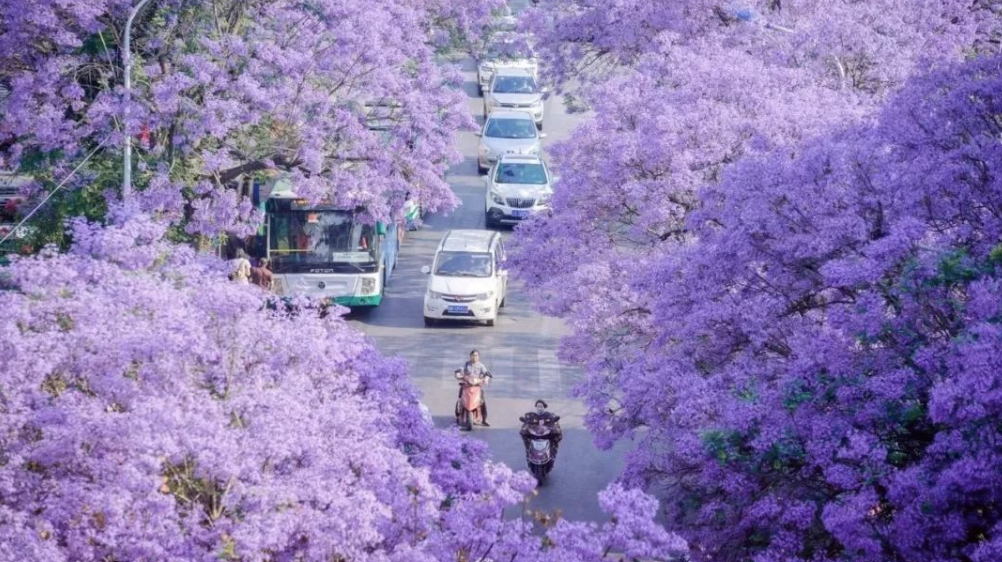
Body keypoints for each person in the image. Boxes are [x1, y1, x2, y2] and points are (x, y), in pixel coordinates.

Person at [463, 350, 491, 426]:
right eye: (473, 355)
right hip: (467, 385)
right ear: (470, 356)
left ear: (478, 357)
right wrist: (460, 375)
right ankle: (459, 414)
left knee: (482, 401)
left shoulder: (481, 366)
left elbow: (487, 373)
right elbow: (462, 371)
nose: (475, 357)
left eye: (476, 355)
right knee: (461, 396)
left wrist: (486, 379)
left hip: (477, 385)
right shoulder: (467, 364)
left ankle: (484, 419)